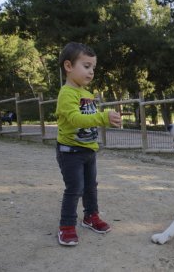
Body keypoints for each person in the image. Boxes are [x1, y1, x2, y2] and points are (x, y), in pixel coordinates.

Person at [55, 42, 121, 246]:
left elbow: (89, 119)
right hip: (70, 152)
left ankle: (91, 216)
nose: (91, 72)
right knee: (75, 188)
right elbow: (76, 119)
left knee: (91, 187)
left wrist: (106, 119)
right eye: (86, 66)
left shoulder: (87, 93)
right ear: (68, 66)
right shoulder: (67, 94)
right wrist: (103, 117)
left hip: (88, 150)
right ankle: (66, 226)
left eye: (93, 67)